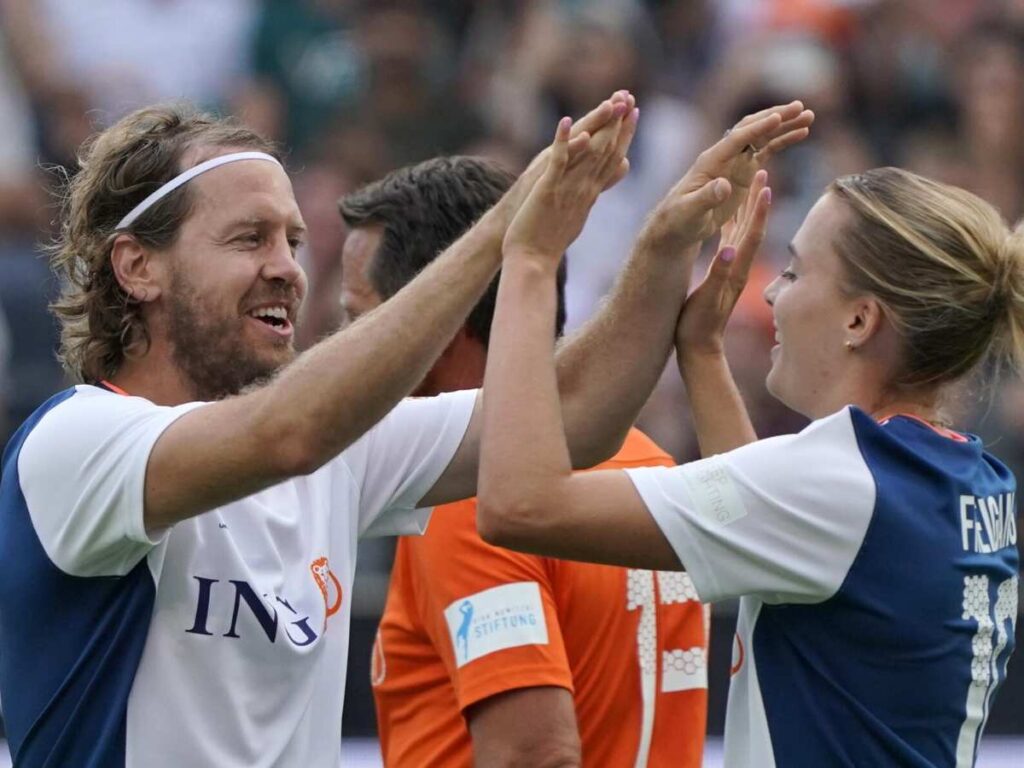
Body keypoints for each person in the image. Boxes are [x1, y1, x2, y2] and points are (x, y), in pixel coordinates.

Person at [0, 91, 810, 765]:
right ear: (136, 266)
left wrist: (664, 245)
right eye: (248, 238)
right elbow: (290, 434)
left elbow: (572, 417)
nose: (288, 265)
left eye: (290, 237)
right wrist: (503, 236)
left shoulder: (337, 452)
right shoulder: (77, 443)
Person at [476, 119, 1020, 767]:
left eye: (793, 271)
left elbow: (519, 504)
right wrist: (702, 354)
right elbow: (771, 525)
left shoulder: (840, 480)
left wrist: (531, 260)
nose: (768, 292)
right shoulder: (972, 475)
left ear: (859, 319)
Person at [334, 156, 707, 767]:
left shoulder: (467, 501)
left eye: (358, 320)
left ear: (428, 322)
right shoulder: (650, 468)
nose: (339, 351)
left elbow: (532, 755)